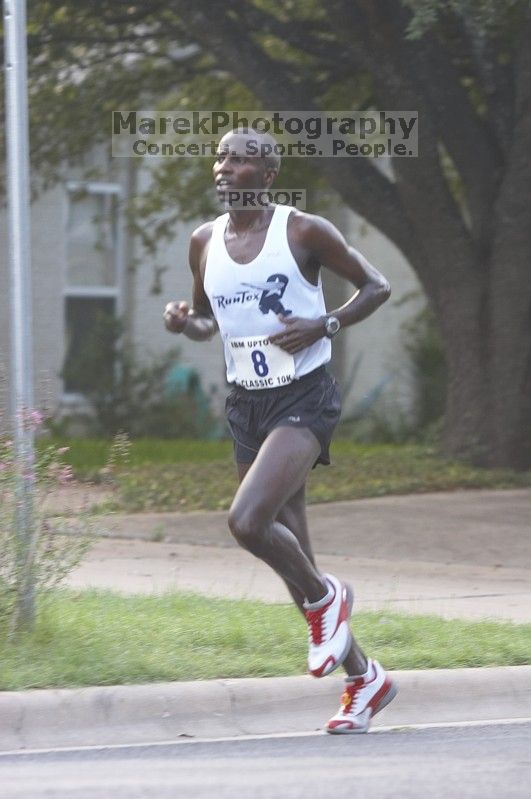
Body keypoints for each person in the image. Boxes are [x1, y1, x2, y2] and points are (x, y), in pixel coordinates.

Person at [163, 128, 397, 734]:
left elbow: (377, 287)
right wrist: (183, 323)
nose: (224, 168)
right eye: (220, 157)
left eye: (240, 160)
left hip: (305, 398)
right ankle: (365, 679)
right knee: (295, 559)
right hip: (247, 405)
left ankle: (329, 600)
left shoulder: (303, 231)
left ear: (268, 174)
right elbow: (208, 324)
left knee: (248, 523)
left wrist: (326, 325)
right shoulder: (203, 241)